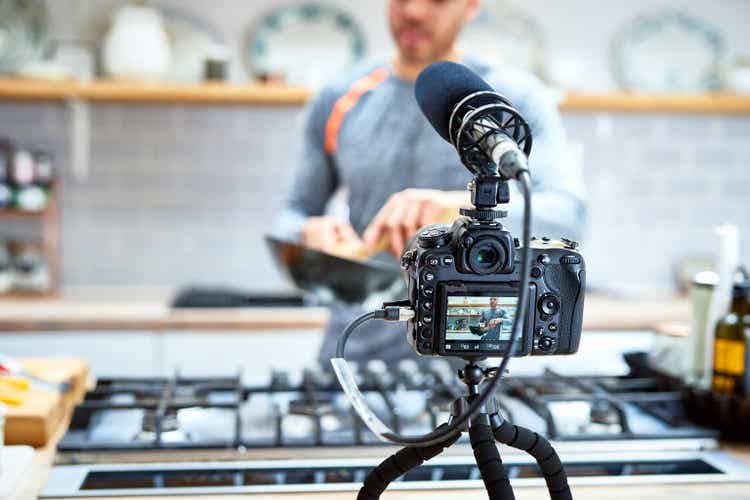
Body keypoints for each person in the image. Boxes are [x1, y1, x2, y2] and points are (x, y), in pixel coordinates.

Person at [275, 0, 586, 364]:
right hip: (355, 351)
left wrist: (456, 209)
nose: (415, 11)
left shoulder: (513, 100)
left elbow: (568, 214)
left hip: (475, 358)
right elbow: (292, 214)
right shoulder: (339, 97)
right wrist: (308, 235)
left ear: (470, 6)